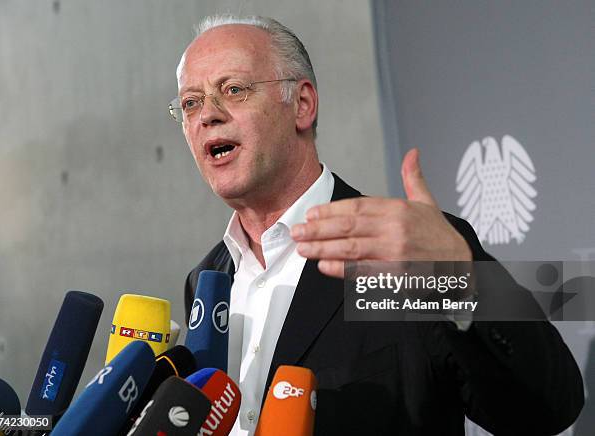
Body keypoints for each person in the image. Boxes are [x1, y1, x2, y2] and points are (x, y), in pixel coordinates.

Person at [175, 14, 583, 435]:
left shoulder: (404, 251)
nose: (207, 115)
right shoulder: (206, 281)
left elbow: (548, 407)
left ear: (302, 105)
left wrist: (458, 280)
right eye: (190, 102)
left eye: (233, 90)